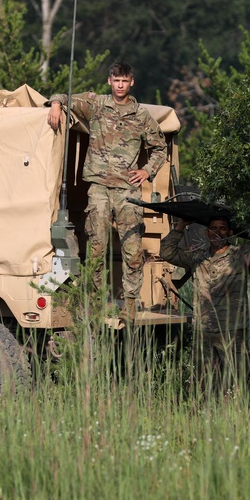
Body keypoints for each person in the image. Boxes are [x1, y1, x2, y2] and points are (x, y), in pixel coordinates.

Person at [46, 62, 168, 319]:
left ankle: (131, 303)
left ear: (131, 82)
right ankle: (95, 302)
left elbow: (160, 148)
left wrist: (147, 171)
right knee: (97, 247)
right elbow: (64, 96)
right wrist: (56, 105)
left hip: (127, 190)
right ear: (109, 81)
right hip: (99, 187)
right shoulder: (98, 105)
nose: (120, 85)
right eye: (116, 80)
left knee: (133, 250)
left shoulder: (141, 116)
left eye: (125, 81)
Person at [159, 215, 250, 394]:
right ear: (207, 232)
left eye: (222, 228)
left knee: (240, 380)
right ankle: (207, 417)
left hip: (232, 330)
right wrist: (182, 225)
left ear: (230, 232)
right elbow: (167, 252)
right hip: (203, 332)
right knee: (203, 384)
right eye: (213, 229)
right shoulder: (197, 257)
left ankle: (244, 416)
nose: (217, 233)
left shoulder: (241, 255)